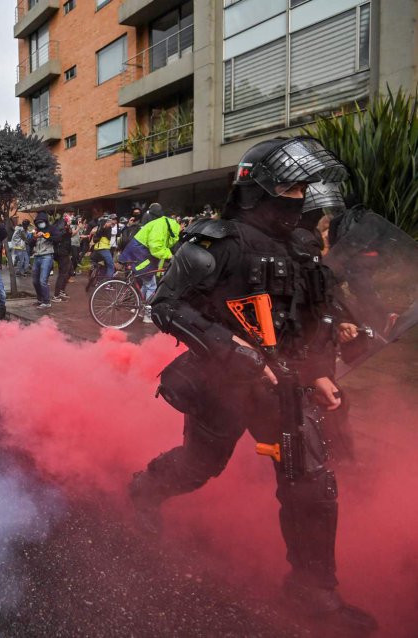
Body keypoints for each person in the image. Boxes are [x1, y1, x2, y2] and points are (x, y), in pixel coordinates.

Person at [128, 136, 376, 635]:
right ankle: (144, 491)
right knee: (201, 466)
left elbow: (299, 322)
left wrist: (322, 367)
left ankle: (312, 590)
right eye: (288, 186)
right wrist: (235, 352)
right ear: (254, 189)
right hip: (223, 382)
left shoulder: (300, 250)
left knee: (311, 484)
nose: (298, 196)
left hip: (283, 388)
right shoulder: (216, 242)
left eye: (302, 187)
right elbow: (167, 306)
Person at [118, 203, 180, 322]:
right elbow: (156, 246)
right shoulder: (162, 225)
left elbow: (162, 244)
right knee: (151, 285)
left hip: (138, 251)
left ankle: (140, 309)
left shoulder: (161, 224)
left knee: (147, 282)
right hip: (141, 253)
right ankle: (147, 315)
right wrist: (170, 256)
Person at [28, 211, 56, 308]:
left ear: (45, 221)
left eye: (42, 221)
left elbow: (58, 238)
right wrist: (34, 238)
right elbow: (30, 243)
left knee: (43, 280)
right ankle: (40, 299)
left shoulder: (51, 229)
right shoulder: (35, 230)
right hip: (37, 256)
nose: (40, 224)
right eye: (38, 222)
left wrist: (45, 235)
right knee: (35, 281)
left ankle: (47, 301)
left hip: (47, 256)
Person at [52, 214, 73, 302]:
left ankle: (61, 290)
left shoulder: (58, 225)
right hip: (62, 252)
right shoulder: (62, 226)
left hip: (61, 251)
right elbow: (64, 234)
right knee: (63, 273)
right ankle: (56, 295)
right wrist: (67, 227)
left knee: (70, 270)